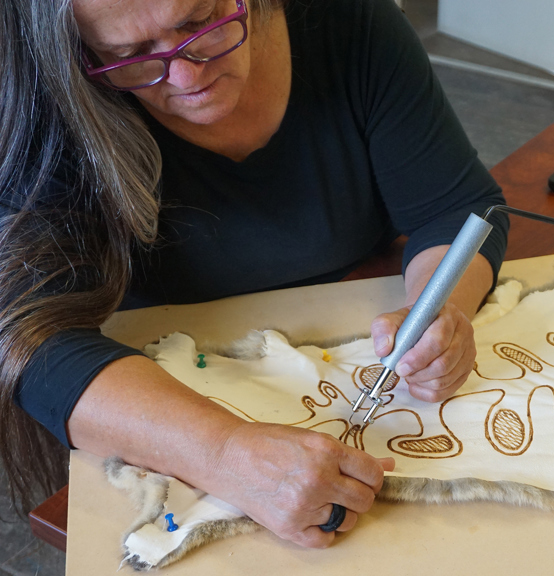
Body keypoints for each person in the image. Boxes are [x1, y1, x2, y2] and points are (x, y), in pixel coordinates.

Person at [0, 0, 508, 548]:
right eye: (130, 55)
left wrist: (441, 308)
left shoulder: (347, 22)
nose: (185, 74)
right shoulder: (53, 95)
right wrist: (223, 454)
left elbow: (453, 208)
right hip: (156, 398)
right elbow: (32, 337)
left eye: (199, 24)